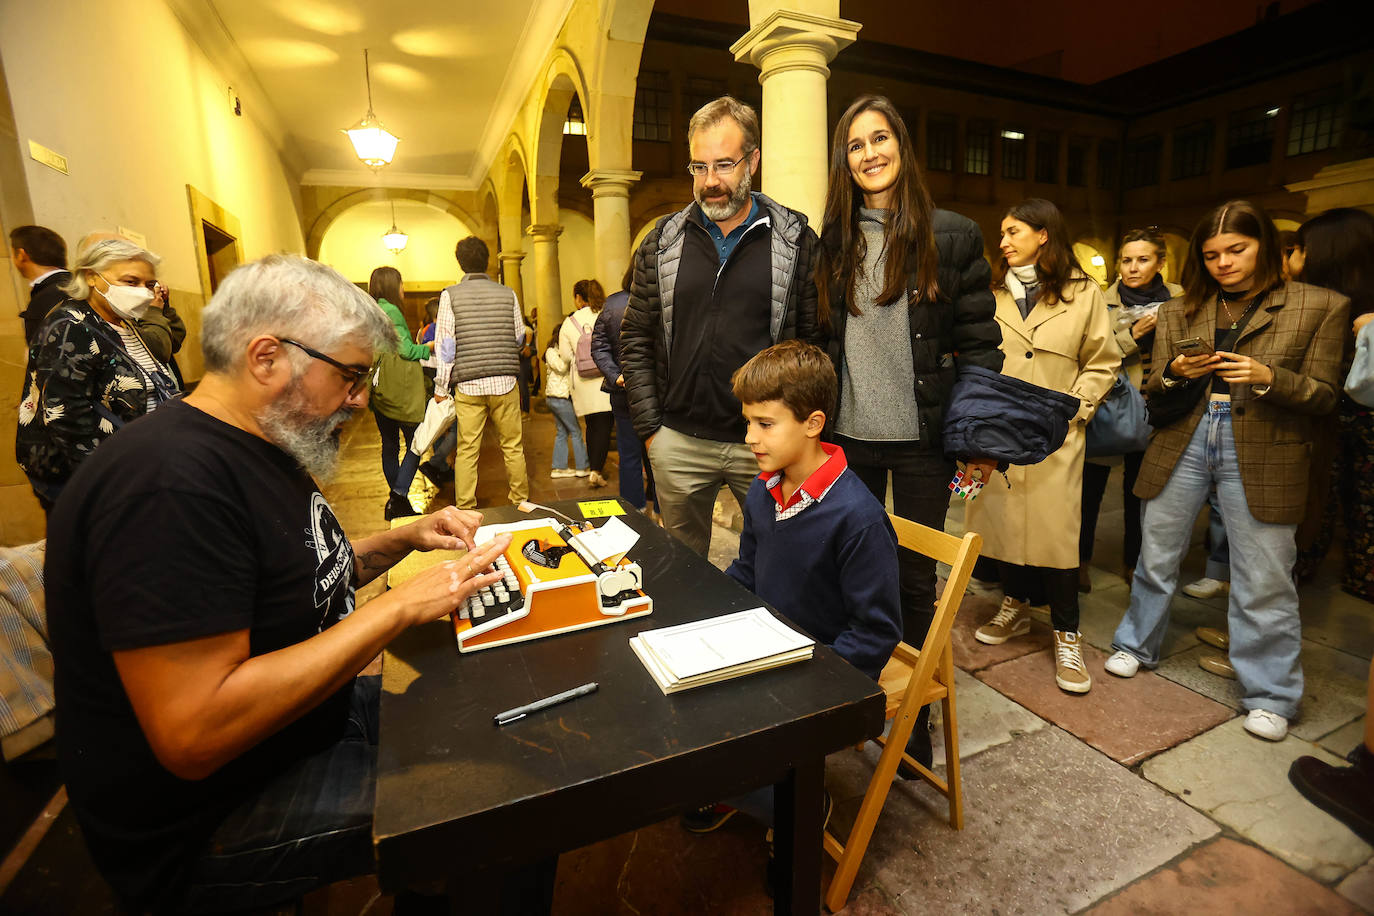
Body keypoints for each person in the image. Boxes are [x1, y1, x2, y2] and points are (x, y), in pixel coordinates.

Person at [45, 253, 526, 914]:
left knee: (493, 721)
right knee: (513, 804)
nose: (359, 400)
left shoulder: (259, 442)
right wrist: (395, 611)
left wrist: (400, 538)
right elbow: (195, 734)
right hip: (211, 815)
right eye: (351, 377)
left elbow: (297, 574)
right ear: (267, 356)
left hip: (299, 728)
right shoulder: (168, 486)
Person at [1104, 200, 1348, 742]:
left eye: (1236, 250)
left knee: (1264, 573)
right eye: (1212, 255)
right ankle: (1134, 644)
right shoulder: (1180, 309)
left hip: (1263, 442)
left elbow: (1327, 396)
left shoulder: (1319, 305)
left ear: (1264, 244)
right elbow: (1152, 392)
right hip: (1185, 435)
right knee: (1156, 552)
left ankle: (1270, 694)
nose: (1223, 263)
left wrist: (1269, 377)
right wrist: (1172, 371)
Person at [814, 94, 1001, 767]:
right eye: (855, 144)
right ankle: (861, 692)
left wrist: (977, 445)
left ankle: (915, 715)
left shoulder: (952, 234)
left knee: (915, 578)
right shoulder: (830, 241)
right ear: (844, 159)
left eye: (880, 138)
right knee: (856, 576)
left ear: (902, 145)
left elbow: (981, 346)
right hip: (848, 442)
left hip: (928, 443)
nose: (869, 153)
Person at [681, 340, 901, 864]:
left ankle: (796, 801)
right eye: (748, 423)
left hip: (826, 663)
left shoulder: (857, 518)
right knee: (678, 707)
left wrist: (812, 686)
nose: (750, 438)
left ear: (813, 423)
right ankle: (752, 787)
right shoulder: (765, 489)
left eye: (764, 424)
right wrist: (710, 617)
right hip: (771, 641)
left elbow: (875, 632)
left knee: (708, 738)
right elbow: (749, 571)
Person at [621, 95, 820, 557]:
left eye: (724, 165)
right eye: (699, 167)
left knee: (777, 561)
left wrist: (790, 431)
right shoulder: (662, 240)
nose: (710, 182)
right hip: (678, 444)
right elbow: (635, 336)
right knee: (680, 566)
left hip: (765, 444)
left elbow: (814, 342)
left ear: (753, 161)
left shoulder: (795, 241)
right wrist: (653, 430)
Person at [963, 199, 1119, 695]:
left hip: (1057, 436)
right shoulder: (989, 294)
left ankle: (1066, 631)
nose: (1004, 241)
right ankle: (1015, 606)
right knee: (1003, 524)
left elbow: (1103, 360)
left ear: (1044, 234)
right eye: (1002, 233)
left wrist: (1077, 407)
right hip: (998, 435)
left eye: (1014, 231)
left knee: (1056, 534)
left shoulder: (1082, 294)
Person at [17, 237, 183, 511]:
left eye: (148, 284)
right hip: (96, 478)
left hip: (140, 465)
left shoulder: (123, 321)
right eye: (131, 282)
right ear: (92, 277)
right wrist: (113, 485)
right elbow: (66, 417)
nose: (143, 291)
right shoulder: (69, 326)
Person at [1080, 228, 1182, 590]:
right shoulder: (1100, 300)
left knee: (1140, 494)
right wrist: (1132, 335)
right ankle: (1080, 561)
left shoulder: (1180, 301)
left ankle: (1132, 562)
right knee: (1089, 490)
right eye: (1126, 260)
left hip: (1159, 408)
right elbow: (1091, 353)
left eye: (1143, 259)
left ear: (1160, 263)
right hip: (1109, 406)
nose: (1133, 268)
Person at [1287, 208, 1374, 603]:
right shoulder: (1308, 303)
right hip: (1326, 417)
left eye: (1299, 250)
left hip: (1352, 420)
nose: (1292, 260)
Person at [431, 236, 530, 510]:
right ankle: (521, 502)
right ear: (487, 261)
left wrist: (441, 388)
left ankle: (465, 507)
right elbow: (520, 337)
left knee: (467, 449)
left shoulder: (450, 295)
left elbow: (446, 346)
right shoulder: (507, 293)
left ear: (460, 263)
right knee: (513, 446)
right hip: (506, 383)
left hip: (469, 385)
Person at [366, 267, 433, 520]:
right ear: (393, 285)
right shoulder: (391, 310)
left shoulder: (372, 309)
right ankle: (398, 495)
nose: (404, 289)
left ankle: (397, 498)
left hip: (381, 388)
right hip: (399, 390)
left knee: (390, 445)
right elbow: (406, 350)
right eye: (401, 283)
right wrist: (428, 347)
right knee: (417, 443)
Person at [593, 264, 655, 513]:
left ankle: (634, 510)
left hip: (624, 391)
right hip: (656, 392)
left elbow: (598, 346)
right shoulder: (660, 302)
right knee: (658, 452)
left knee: (628, 453)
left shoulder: (613, 304)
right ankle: (663, 511)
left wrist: (616, 375)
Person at [561, 279, 613, 487]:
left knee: (592, 426)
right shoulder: (605, 314)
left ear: (578, 298)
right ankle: (596, 470)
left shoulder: (570, 321)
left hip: (583, 383)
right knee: (605, 426)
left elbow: (565, 356)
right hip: (605, 378)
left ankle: (594, 468)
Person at [544, 317, 589, 479]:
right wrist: (569, 356)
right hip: (558, 397)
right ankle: (582, 467)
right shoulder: (551, 352)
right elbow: (562, 367)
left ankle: (559, 467)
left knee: (562, 431)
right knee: (576, 431)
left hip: (558, 397)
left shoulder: (556, 351)